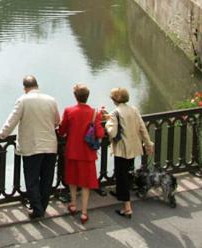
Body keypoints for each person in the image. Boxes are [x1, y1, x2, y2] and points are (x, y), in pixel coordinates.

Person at [0, 75, 61, 219]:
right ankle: (42, 206)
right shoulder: (51, 100)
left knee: (32, 179)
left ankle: (37, 209)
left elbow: (12, 121)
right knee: (46, 179)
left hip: (32, 146)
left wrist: (2, 134)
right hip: (50, 145)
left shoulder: (23, 100)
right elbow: (57, 121)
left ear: (25, 88)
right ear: (37, 86)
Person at [58, 84, 105, 223]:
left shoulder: (69, 110)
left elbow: (62, 130)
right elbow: (100, 133)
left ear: (75, 96)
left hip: (72, 151)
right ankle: (84, 213)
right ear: (87, 96)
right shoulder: (94, 113)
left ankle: (73, 205)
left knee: (72, 180)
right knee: (85, 184)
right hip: (87, 153)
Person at [105, 87, 154, 219]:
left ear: (115, 99)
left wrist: (108, 123)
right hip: (134, 147)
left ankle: (127, 208)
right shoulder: (133, 109)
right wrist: (148, 143)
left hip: (122, 149)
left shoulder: (115, 113)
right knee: (126, 172)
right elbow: (142, 127)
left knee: (122, 176)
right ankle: (120, 193)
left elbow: (112, 132)